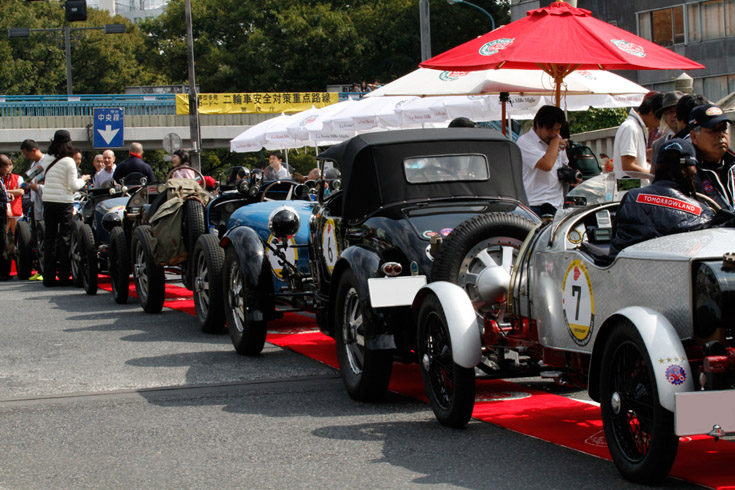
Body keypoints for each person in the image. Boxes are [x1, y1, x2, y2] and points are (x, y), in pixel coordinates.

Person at [610, 138, 716, 257]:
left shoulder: (631, 197)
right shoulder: (702, 213)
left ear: (656, 167)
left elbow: (614, 245)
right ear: (691, 171)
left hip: (624, 273)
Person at [41, 130, 90, 287]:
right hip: (64, 202)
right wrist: (83, 179)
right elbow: (74, 186)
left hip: (48, 200)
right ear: (69, 143)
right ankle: (63, 276)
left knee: (49, 238)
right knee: (64, 238)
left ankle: (48, 277)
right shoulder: (69, 161)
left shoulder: (46, 159)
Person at [517, 105, 576, 216]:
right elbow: (546, 165)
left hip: (556, 204)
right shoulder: (524, 142)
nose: (554, 134)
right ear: (538, 124)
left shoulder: (557, 141)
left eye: (557, 129)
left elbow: (562, 167)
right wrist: (555, 142)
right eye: (550, 129)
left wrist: (571, 176)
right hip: (533, 204)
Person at [688, 104, 735, 210]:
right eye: (713, 130)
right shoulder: (688, 172)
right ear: (694, 136)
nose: (721, 135)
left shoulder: (733, 165)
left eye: (723, 128)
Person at [612, 92, 664, 176]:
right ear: (651, 112)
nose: (659, 124)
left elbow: (638, 163)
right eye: (660, 119)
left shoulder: (638, 127)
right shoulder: (631, 128)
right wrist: (655, 175)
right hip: (629, 188)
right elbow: (628, 166)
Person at [651, 91, 684, 168]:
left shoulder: (694, 139)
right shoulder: (658, 145)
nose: (674, 115)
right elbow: (654, 175)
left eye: (677, 111)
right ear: (664, 118)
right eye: (670, 112)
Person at [1, 155, 24, 235]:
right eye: (7, 165)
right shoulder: (2, 178)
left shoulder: (18, 178)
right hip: (4, 213)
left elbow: (21, 191)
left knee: (17, 236)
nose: (9, 167)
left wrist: (5, 192)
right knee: (4, 234)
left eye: (10, 164)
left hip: (15, 212)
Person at [0, 156, 11, 280]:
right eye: (7, 167)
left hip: (2, 215)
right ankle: (3, 273)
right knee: (2, 244)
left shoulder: (1, 180)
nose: (8, 169)